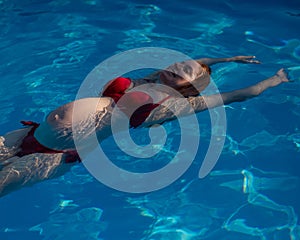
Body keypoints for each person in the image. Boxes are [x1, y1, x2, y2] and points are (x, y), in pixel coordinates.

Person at [0, 55, 290, 197]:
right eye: (173, 67)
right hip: (30, 133)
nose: (171, 71)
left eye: (178, 74)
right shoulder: (151, 80)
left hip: (52, 155)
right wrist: (229, 58)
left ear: (189, 88)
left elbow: (239, 95)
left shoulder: (176, 106)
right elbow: (195, 64)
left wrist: (274, 80)